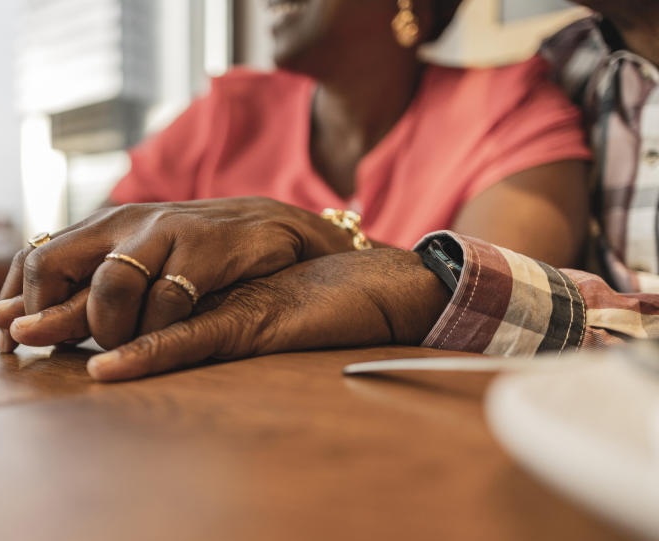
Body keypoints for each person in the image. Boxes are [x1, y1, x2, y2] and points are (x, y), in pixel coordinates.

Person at [46, 0, 659, 382]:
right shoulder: (226, 109)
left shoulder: (516, 99)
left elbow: (495, 297)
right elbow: (85, 254)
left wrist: (326, 236)